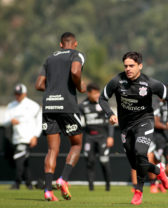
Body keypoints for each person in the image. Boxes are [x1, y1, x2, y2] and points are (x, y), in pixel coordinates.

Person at [99, 51, 168, 205]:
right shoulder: (117, 81)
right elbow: (102, 98)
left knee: (141, 154)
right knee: (135, 164)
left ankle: (138, 192)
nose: (128, 69)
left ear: (140, 66)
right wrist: (110, 114)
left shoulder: (150, 83)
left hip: (144, 122)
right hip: (125, 126)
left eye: (131, 66)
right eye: (126, 66)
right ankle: (158, 170)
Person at [35, 32, 86, 201]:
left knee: (52, 150)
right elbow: (75, 72)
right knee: (77, 144)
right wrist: (79, 86)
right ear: (75, 44)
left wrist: (52, 91)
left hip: (49, 106)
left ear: (61, 44)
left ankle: (48, 191)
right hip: (67, 106)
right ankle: (63, 179)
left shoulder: (50, 59)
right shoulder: (76, 54)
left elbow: (39, 85)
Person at [3, 84, 42, 190]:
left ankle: (17, 182)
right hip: (16, 139)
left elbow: (39, 122)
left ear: (24, 94)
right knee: (24, 162)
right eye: (16, 94)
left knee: (19, 160)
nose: (17, 96)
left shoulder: (33, 105)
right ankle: (29, 184)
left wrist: (35, 136)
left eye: (19, 94)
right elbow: (4, 122)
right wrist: (10, 121)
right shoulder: (11, 105)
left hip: (28, 138)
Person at [79, 83, 114, 191]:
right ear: (88, 93)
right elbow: (79, 122)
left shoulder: (103, 104)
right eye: (94, 93)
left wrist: (110, 136)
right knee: (89, 161)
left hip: (102, 137)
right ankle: (91, 187)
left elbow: (110, 121)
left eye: (98, 93)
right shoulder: (82, 106)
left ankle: (108, 186)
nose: (96, 96)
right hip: (89, 138)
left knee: (104, 161)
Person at [148, 95, 168, 193]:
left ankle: (161, 180)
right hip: (155, 137)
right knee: (154, 161)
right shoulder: (155, 103)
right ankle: (153, 184)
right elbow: (156, 123)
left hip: (166, 138)